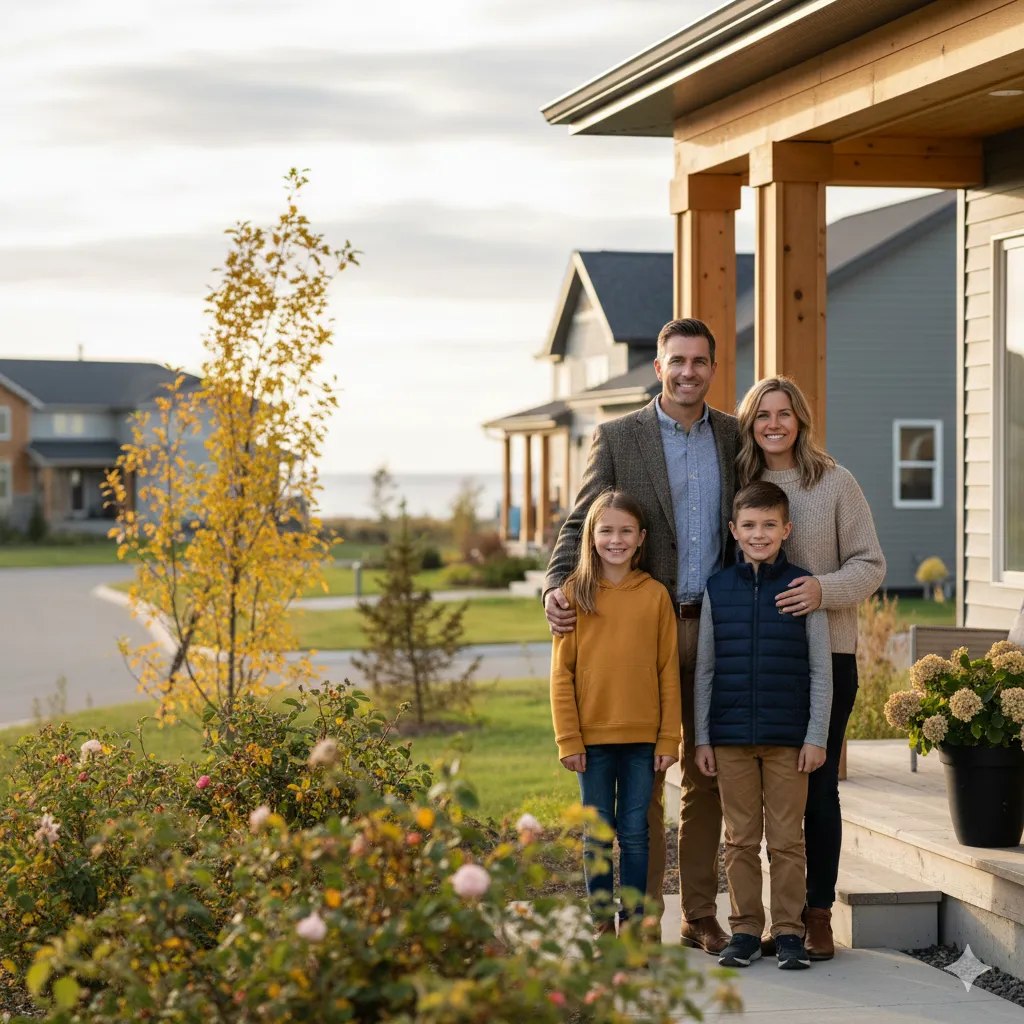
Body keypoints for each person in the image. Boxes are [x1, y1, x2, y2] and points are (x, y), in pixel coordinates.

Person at [543, 318, 738, 953]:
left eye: (700, 362)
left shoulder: (734, 437)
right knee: (646, 787)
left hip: (715, 630)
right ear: (658, 366)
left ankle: (700, 913)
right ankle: (640, 915)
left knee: (705, 776)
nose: (688, 372)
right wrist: (554, 584)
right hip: (647, 627)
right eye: (676, 361)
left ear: (713, 367)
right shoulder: (617, 436)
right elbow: (583, 521)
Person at [736, 376, 885, 960]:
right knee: (767, 795)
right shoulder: (741, 483)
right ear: (750, 424)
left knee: (817, 788)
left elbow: (871, 565)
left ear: (800, 419)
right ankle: (779, 920)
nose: (774, 424)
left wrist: (822, 589)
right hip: (756, 663)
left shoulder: (835, 482)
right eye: (762, 415)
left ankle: (816, 915)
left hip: (828, 658)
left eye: (784, 413)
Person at [694, 480, 832, 971]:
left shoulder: (801, 586)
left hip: (787, 740)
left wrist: (817, 735)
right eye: (749, 525)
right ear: (733, 530)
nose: (759, 534)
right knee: (740, 839)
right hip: (730, 740)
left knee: (787, 839)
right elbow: (705, 669)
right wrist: (704, 736)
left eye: (769, 525)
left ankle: (790, 933)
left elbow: (821, 668)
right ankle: (747, 931)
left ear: (786, 529)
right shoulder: (717, 588)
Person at [550, 489, 681, 934]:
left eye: (626, 531)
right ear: (590, 537)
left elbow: (668, 672)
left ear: (641, 538)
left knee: (637, 833)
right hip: (592, 742)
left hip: (644, 740)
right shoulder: (574, 594)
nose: (616, 540)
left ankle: (638, 923)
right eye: (606, 530)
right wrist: (568, 738)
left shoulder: (655, 596)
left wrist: (669, 738)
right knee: (597, 836)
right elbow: (561, 676)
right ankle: (603, 925)